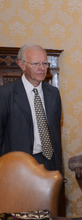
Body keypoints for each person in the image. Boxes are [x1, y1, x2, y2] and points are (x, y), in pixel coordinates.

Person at [0, 44, 62, 173]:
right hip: (18, 166)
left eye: (45, 63)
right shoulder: (5, 94)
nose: (41, 68)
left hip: (50, 162)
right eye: (35, 64)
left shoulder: (53, 93)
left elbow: (55, 131)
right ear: (22, 65)